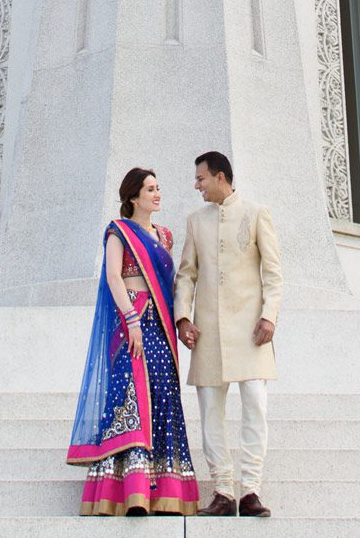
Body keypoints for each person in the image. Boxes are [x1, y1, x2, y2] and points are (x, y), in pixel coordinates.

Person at [67, 166, 201, 516]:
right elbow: (114, 276)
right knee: (129, 394)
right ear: (133, 197)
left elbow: (170, 286)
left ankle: (165, 489)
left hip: (160, 324)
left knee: (162, 394)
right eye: (150, 189)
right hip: (132, 321)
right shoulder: (119, 233)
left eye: (158, 188)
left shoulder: (166, 236)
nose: (157, 194)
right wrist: (131, 320)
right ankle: (129, 489)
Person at [174, 149, 282, 518]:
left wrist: (269, 316)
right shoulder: (195, 221)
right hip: (207, 333)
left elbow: (273, 272)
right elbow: (186, 274)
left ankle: (250, 489)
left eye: (201, 178)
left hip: (252, 331)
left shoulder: (255, 214)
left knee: (255, 406)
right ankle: (223, 489)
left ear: (220, 177)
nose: (196, 185)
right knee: (210, 413)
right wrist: (182, 320)